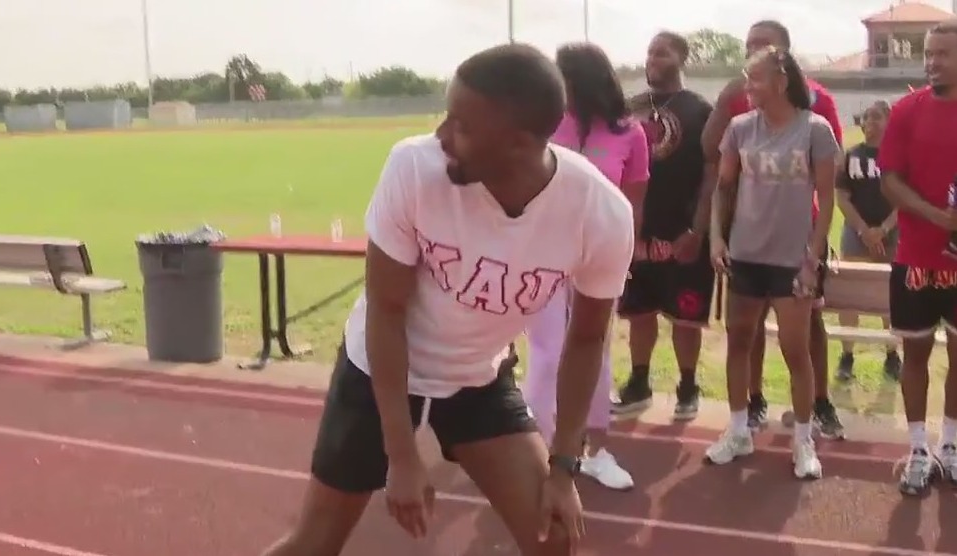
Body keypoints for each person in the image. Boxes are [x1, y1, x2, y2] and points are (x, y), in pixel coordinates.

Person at [260, 43, 634, 556]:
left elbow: (588, 338)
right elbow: (387, 312)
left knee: (554, 536)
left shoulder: (600, 214)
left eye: (461, 124)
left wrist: (564, 466)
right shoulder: (414, 168)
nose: (440, 136)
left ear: (518, 144)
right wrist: (402, 454)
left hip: (476, 380)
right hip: (380, 372)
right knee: (314, 544)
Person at [701, 19, 846, 439]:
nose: (750, 56)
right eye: (748, 47)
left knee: (802, 332)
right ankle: (750, 406)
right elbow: (714, 159)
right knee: (745, 329)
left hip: (800, 232)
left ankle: (817, 407)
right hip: (749, 236)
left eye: (760, 48)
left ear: (784, 59)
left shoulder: (818, 109)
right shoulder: (740, 110)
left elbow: (827, 173)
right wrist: (717, 234)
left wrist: (813, 252)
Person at [523, 42, 647, 491]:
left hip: (598, 259)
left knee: (595, 352)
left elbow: (633, 205)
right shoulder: (546, 123)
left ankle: (595, 451)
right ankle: (538, 448)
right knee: (548, 352)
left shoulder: (630, 133)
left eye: (562, 76)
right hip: (541, 257)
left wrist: (623, 259)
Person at [612, 31, 715, 422]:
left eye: (662, 52)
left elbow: (711, 176)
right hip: (636, 230)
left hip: (683, 232)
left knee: (685, 316)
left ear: (681, 58)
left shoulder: (700, 111)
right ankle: (638, 383)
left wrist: (697, 230)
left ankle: (687, 386)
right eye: (649, 51)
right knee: (639, 311)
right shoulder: (628, 109)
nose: (652, 59)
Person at [878, 22, 957, 496]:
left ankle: (951, 445)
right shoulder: (907, 110)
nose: (932, 62)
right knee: (916, 354)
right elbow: (889, 180)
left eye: (943, 54)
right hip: (916, 260)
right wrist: (935, 216)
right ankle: (917, 449)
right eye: (929, 54)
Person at [834, 100, 901, 382]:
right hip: (856, 233)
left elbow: (904, 200)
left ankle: (892, 354)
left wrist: (883, 230)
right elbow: (842, 196)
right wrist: (864, 230)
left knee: (890, 297)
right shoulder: (851, 156)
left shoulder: (898, 158)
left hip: (892, 234)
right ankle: (847, 355)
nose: (869, 122)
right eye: (866, 118)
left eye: (876, 117)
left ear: (889, 121)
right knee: (850, 297)